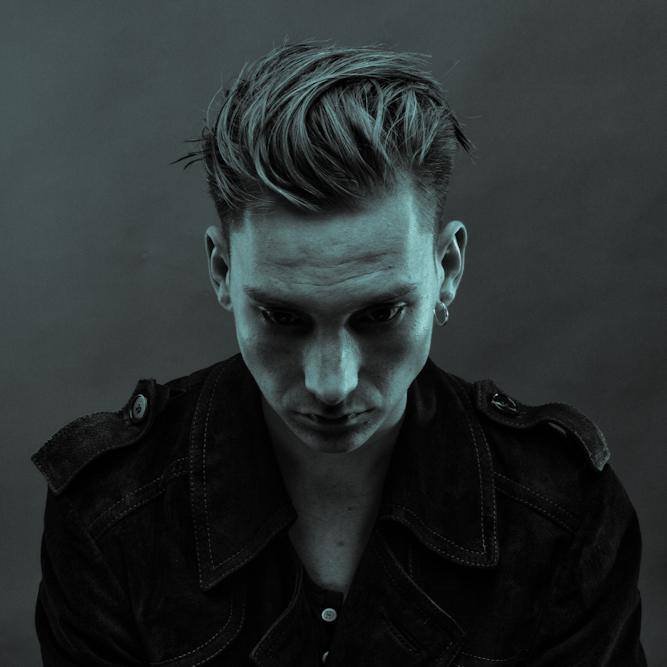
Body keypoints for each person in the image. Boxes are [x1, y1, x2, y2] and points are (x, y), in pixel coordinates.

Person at [32, 41, 646, 666]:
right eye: (283, 318)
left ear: (448, 269)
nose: (333, 383)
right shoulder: (110, 512)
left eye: (379, 315)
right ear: (222, 271)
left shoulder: (563, 513)